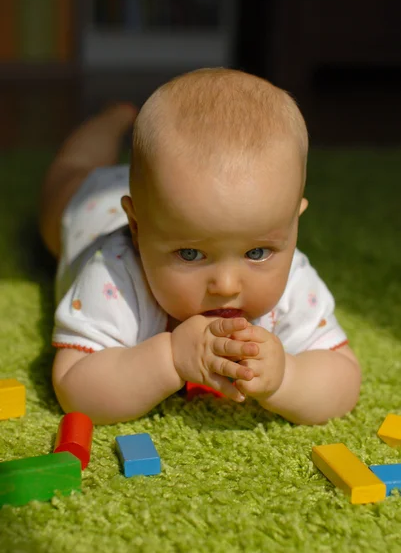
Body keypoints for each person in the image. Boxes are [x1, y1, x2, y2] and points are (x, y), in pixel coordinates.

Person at [38, 68, 361, 426]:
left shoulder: (295, 282)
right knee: (70, 176)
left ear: (293, 227)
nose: (226, 285)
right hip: (93, 213)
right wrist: (170, 357)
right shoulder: (114, 275)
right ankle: (114, 118)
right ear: (137, 229)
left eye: (256, 253)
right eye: (190, 254)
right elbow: (75, 387)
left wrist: (289, 378)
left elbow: (344, 376)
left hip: (156, 203)